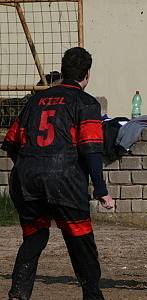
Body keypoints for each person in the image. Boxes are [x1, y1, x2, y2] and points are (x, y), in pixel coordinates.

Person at [2, 47, 113, 300]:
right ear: (87, 74)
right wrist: (101, 190)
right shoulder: (86, 102)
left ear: (63, 72)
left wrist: (29, 167)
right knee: (80, 242)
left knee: (34, 238)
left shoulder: (35, 100)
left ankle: (18, 294)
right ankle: (92, 295)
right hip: (66, 180)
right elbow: (91, 150)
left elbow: (10, 143)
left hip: (25, 180)